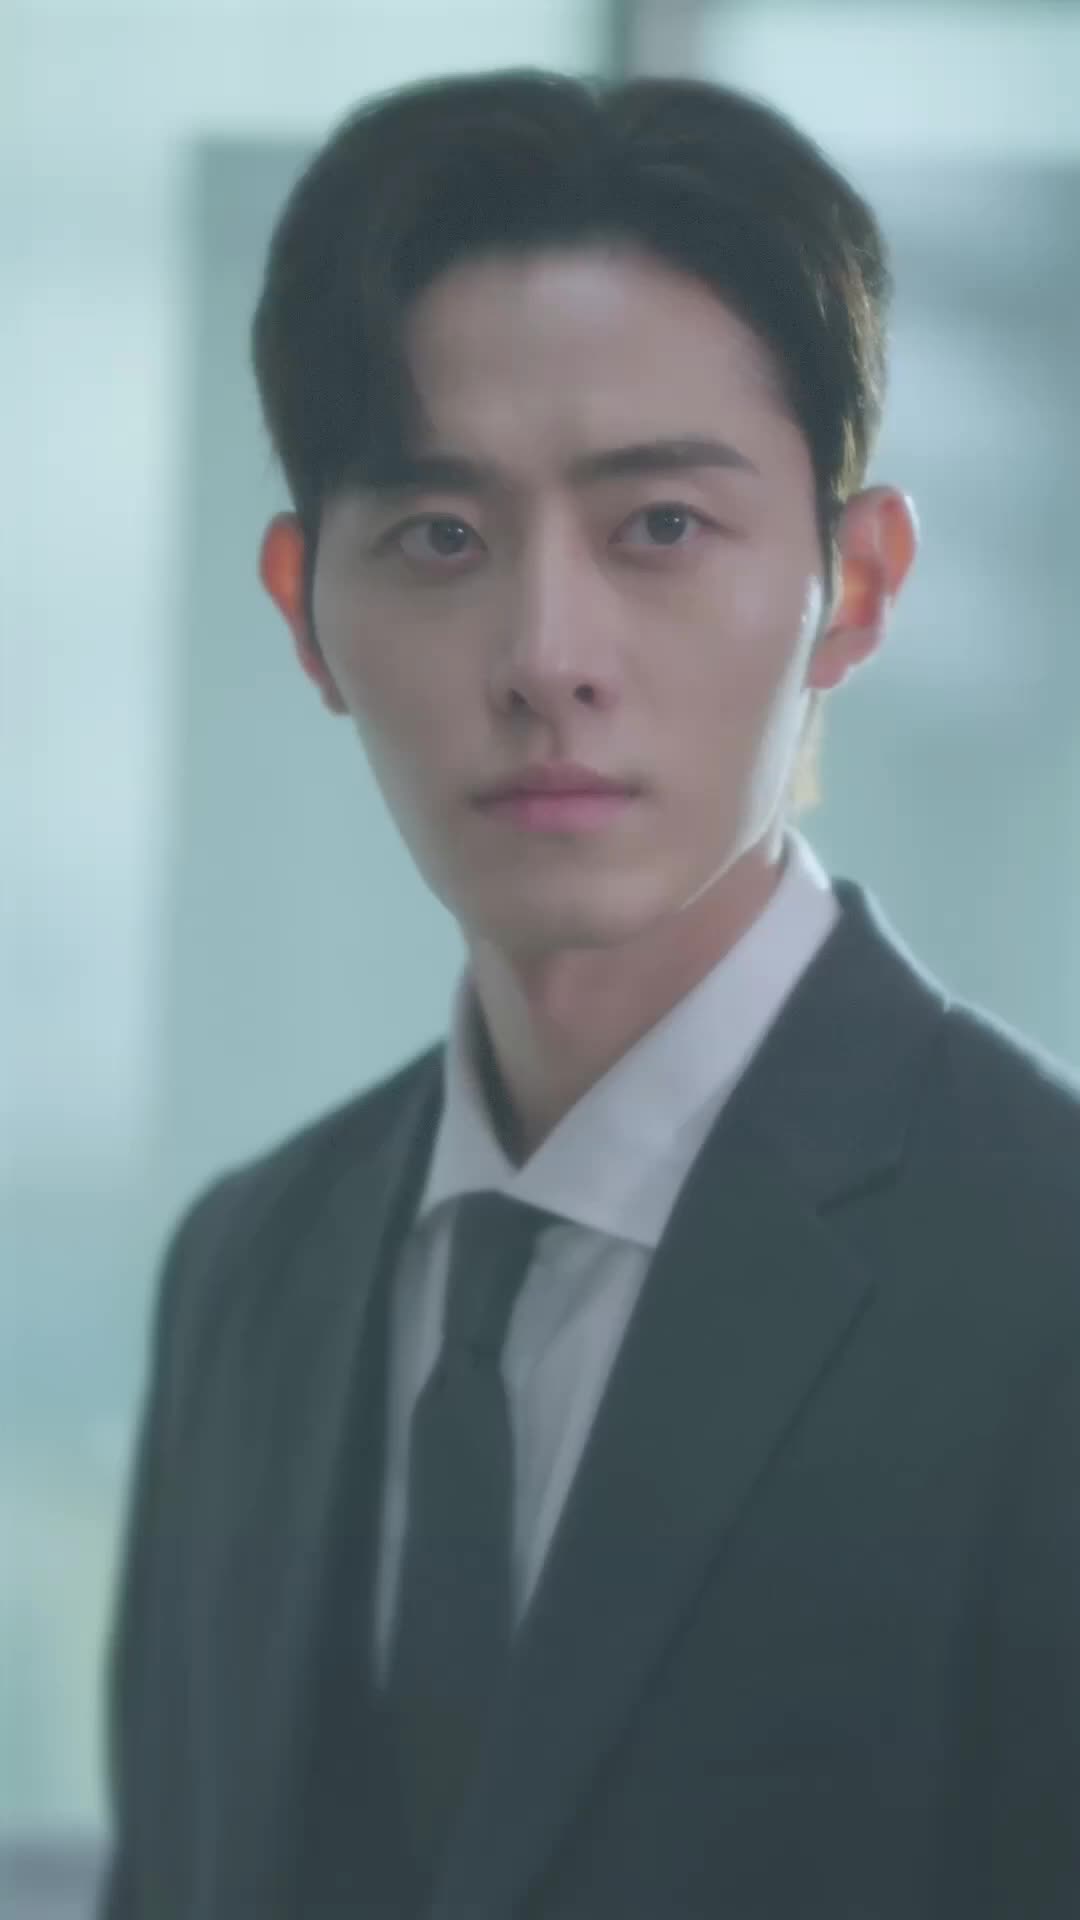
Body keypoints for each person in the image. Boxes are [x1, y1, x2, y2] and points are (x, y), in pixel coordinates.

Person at [99, 68, 1080, 1920]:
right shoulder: (246, 1270)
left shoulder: (1048, 1273)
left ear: (857, 588)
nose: (547, 658)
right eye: (441, 539)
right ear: (306, 612)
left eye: (660, 528)